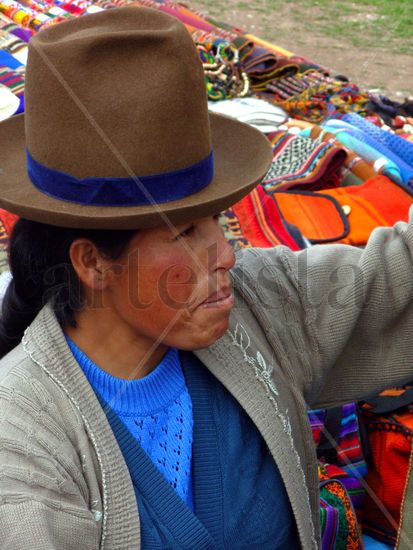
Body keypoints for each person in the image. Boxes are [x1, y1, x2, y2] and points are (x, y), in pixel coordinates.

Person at [0, 6, 412, 550]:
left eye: (216, 222)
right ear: (93, 263)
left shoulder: (256, 308)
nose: (226, 255)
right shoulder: (24, 442)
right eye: (185, 233)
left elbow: (395, 279)